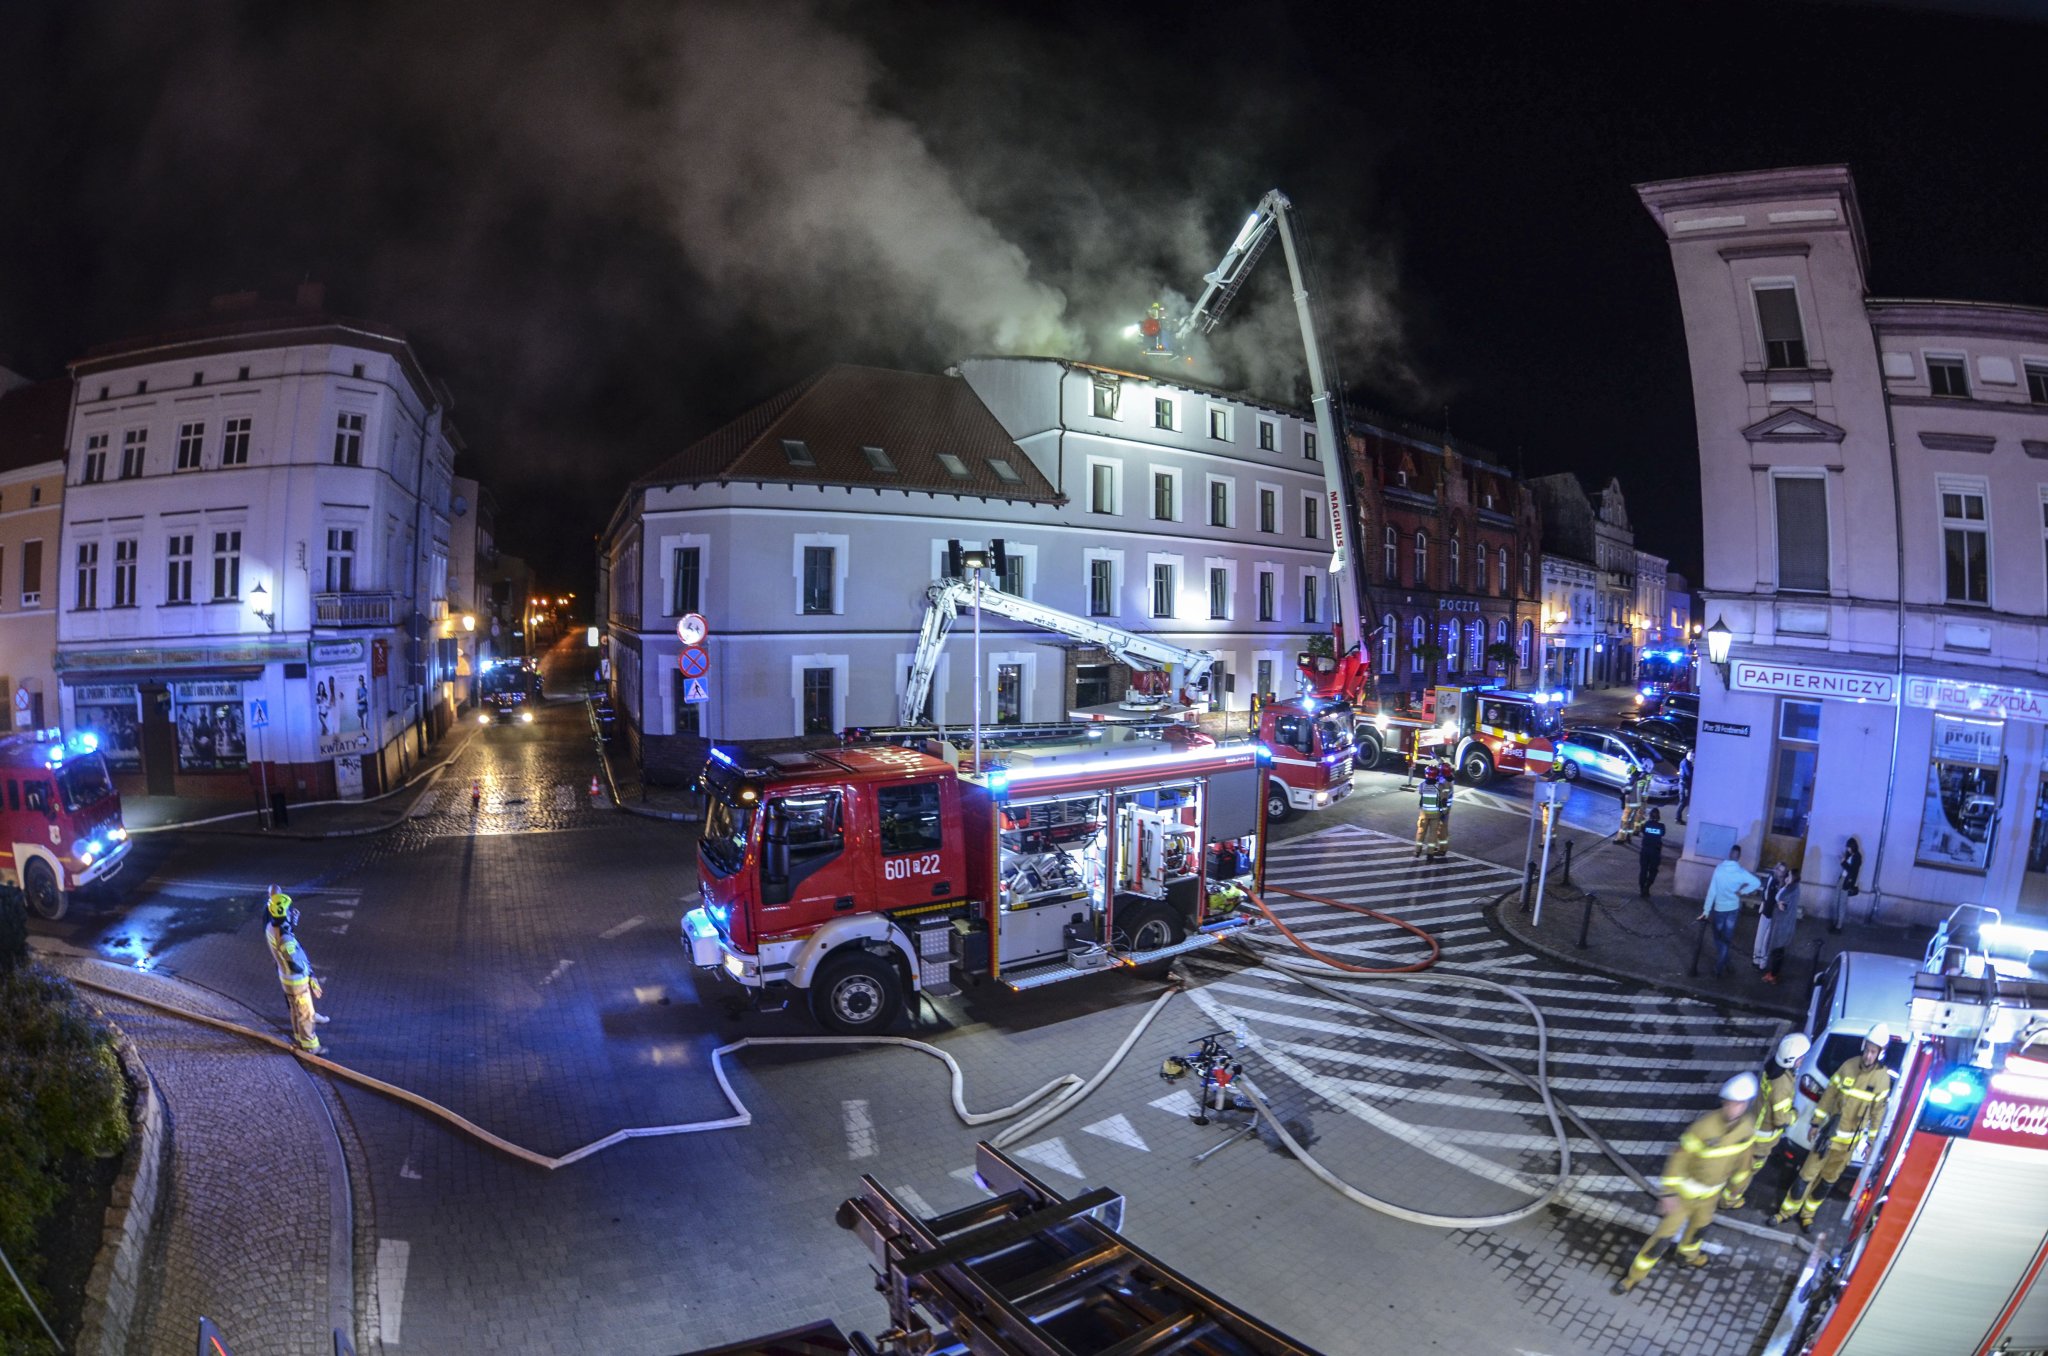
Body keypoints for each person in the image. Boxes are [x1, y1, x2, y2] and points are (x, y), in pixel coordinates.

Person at [1612, 1072, 1759, 1294]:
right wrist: (1669, 1193)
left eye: (1740, 1104)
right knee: (1662, 1239)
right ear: (1724, 1102)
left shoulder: (1747, 1129)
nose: (1734, 1109)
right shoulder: (1704, 1127)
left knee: (1699, 1230)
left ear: (1745, 1105)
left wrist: (1734, 1193)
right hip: (1684, 1196)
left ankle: (1687, 1256)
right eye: (1731, 1103)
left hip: (1711, 1197)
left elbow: (1744, 1162)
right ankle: (1633, 1277)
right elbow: (1679, 1158)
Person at [1775, 1023, 1894, 1231]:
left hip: (1847, 1147)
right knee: (1805, 1177)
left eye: (1874, 1051)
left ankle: (1807, 1216)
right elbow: (1829, 1096)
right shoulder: (1848, 1066)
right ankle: (1785, 1213)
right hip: (1828, 1139)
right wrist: (1815, 1123)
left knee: (1826, 1184)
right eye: (1867, 1049)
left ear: (1881, 1053)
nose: (1868, 1055)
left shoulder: (1882, 1080)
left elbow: (1877, 1113)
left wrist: (1871, 1143)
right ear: (1863, 1046)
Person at [1725, 1033, 1811, 1210]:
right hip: (1763, 1139)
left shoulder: (1772, 1068)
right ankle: (1729, 1200)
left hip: (1753, 1124)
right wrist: (1794, 1115)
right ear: (1792, 1060)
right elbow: (1780, 1119)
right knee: (1747, 1171)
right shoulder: (1782, 1085)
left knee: (1741, 1166)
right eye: (1801, 1058)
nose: (1802, 1061)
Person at [265, 887, 328, 1054]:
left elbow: (280, 929)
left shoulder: (271, 928)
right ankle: (311, 1047)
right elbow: (295, 961)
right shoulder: (286, 939)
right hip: (297, 981)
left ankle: (299, 1037)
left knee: (295, 1010)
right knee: (305, 1013)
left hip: (285, 978)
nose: (291, 913)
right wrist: (310, 976)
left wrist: (289, 925)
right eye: (288, 911)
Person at [1699, 845, 1764, 979]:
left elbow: (1712, 891)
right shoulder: (1740, 872)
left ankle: (1719, 968)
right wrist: (1742, 891)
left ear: (1729, 854)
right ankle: (1726, 961)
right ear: (1739, 857)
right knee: (1726, 939)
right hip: (1733, 908)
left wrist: (1706, 911)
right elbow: (1757, 882)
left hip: (1719, 909)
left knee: (1718, 938)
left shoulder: (1719, 870)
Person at [1762, 865, 1802, 984]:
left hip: (1783, 925)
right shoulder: (1789, 886)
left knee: (1777, 949)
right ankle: (1774, 972)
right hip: (1780, 923)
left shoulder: (1793, 889)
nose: (1786, 877)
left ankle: (1774, 975)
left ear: (1794, 877)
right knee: (1778, 949)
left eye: (1789, 875)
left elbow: (1786, 904)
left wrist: (1780, 905)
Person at [1751, 865, 1783, 973]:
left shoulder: (1779, 884)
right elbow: (1766, 894)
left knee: (1766, 940)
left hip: (1772, 915)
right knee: (1760, 936)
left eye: (1782, 871)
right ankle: (1756, 960)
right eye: (1778, 869)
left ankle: (1762, 963)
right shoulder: (1771, 878)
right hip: (1765, 912)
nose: (1779, 872)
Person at [1831, 837, 1863, 933]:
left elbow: (1852, 870)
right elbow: (1846, 867)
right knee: (1836, 900)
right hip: (1842, 879)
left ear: (1853, 846)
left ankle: (1839, 926)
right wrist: (1843, 860)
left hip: (1847, 881)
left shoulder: (1857, 856)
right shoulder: (1849, 854)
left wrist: (1843, 862)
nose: (1847, 849)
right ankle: (1835, 922)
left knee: (1842, 903)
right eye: (1847, 847)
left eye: (1849, 847)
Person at [1414, 764, 1443, 860]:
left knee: (1421, 832)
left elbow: (1421, 793)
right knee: (1433, 834)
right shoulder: (1439, 786)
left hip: (1424, 813)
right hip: (1435, 814)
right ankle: (1430, 854)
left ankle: (1417, 851)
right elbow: (1442, 798)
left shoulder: (1422, 785)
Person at [1637, 808, 1667, 897]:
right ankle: (1647, 887)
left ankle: (1642, 889)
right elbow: (1662, 834)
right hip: (1655, 852)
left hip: (1645, 851)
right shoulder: (1662, 826)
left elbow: (1643, 831)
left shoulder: (1646, 824)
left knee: (1643, 870)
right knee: (1653, 871)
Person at [1676, 750, 1694, 825]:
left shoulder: (1687, 762)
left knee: (1684, 802)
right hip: (1684, 785)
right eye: (1691, 756)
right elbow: (1689, 774)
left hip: (1685, 784)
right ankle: (1677, 818)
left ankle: (1678, 818)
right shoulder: (1686, 763)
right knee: (1683, 802)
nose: (1692, 757)